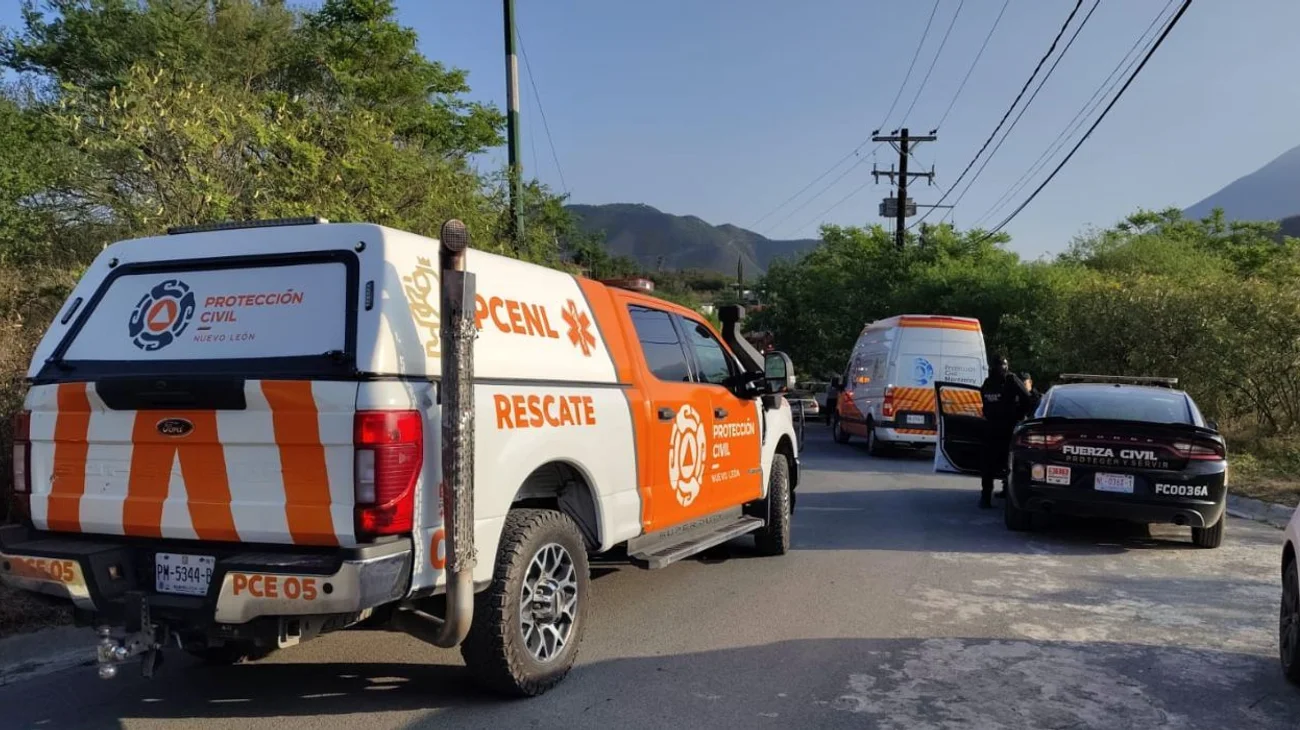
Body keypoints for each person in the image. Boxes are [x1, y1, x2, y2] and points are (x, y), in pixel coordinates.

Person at [978, 353, 1033, 509]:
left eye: (1004, 364)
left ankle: (1004, 492)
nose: (1003, 368)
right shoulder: (989, 383)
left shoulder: (1009, 380)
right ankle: (986, 496)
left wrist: (1018, 415)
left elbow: (1026, 398)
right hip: (996, 429)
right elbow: (986, 403)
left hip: (1007, 428)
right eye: (1001, 365)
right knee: (990, 464)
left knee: (1008, 464)